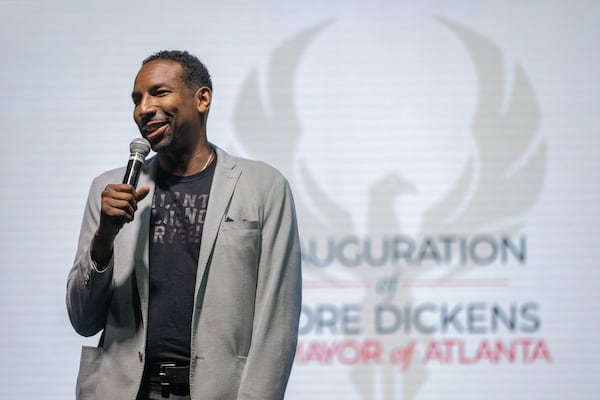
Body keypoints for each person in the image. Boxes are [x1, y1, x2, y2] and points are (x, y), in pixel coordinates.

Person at [66, 50, 302, 400]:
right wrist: (104, 237)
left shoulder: (263, 187)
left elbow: (276, 326)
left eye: (159, 93)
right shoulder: (111, 190)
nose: (143, 109)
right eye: (136, 99)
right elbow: (83, 320)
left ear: (202, 99)